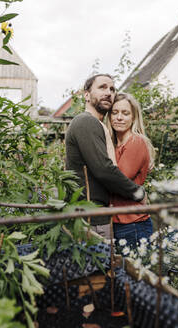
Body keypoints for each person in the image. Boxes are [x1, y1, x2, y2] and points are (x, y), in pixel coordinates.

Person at [65, 74, 147, 238]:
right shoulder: (86, 122)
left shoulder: (99, 126)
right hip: (90, 218)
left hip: (95, 215)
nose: (109, 92)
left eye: (112, 89)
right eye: (102, 87)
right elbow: (104, 170)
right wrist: (138, 193)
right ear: (86, 95)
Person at [107, 92, 156, 248]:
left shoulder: (136, 141)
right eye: (114, 113)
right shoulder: (114, 145)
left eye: (125, 113)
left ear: (133, 117)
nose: (119, 117)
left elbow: (117, 180)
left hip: (133, 225)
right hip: (117, 223)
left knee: (135, 272)